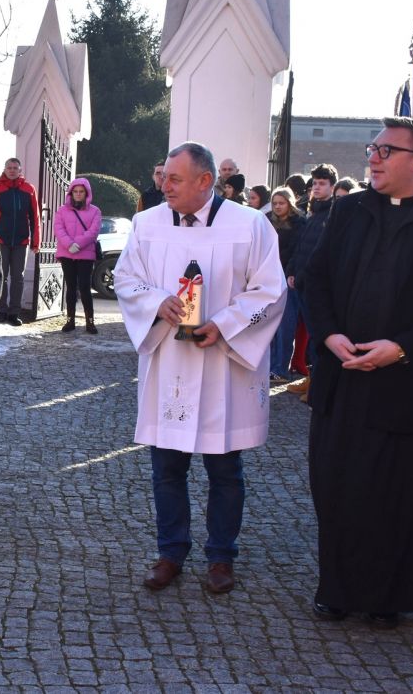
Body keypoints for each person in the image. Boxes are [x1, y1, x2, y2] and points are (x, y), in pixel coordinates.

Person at [303, 117, 413, 627]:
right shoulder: (347, 210)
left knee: (397, 494)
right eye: (372, 148)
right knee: (337, 487)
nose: (373, 158)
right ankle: (336, 588)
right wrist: (328, 334)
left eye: (385, 150)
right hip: (344, 377)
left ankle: (388, 597)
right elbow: (314, 280)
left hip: (407, 384)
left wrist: (402, 348)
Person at [114, 141, 286, 595]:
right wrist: (157, 301)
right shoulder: (146, 224)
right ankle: (171, 551)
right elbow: (126, 278)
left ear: (205, 182)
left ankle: (221, 556)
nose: (163, 185)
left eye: (174, 179)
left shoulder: (250, 225)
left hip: (222, 369)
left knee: (224, 470)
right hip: (170, 360)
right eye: (164, 177)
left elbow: (270, 291)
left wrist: (226, 325)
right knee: (166, 468)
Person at [283, 163, 340, 400]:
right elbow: (303, 246)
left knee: (318, 337)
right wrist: (293, 270)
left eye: (322, 183)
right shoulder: (313, 211)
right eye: (314, 183)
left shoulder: (333, 213)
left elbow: (321, 252)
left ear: (332, 186)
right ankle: (311, 380)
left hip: (315, 284)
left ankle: (317, 385)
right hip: (302, 281)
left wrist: (304, 275)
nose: (316, 187)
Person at [0, 158, 40, 326]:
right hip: (0, 240)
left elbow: (35, 217)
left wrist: (35, 242)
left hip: (21, 241)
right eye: (9, 167)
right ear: (4, 169)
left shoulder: (29, 189)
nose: (12, 170)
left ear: (20, 170)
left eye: (15, 168)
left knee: (18, 277)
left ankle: (14, 313)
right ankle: (1, 310)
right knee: (1, 276)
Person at [267, 186, 306, 384]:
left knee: (285, 327)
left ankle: (280, 368)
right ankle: (270, 366)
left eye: (281, 203)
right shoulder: (266, 220)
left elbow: (298, 250)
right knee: (269, 327)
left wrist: (291, 272)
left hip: (287, 278)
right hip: (268, 278)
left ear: (290, 204)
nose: (278, 207)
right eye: (275, 203)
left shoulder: (300, 223)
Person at [53, 177, 102, 333]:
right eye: (76, 191)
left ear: (86, 193)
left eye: (81, 192)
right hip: (67, 254)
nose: (78, 194)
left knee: (85, 287)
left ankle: (90, 322)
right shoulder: (62, 210)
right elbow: (58, 229)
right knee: (71, 288)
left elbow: (93, 231)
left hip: (85, 254)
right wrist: (69, 244)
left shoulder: (95, 211)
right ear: (71, 193)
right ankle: (70, 321)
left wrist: (78, 244)